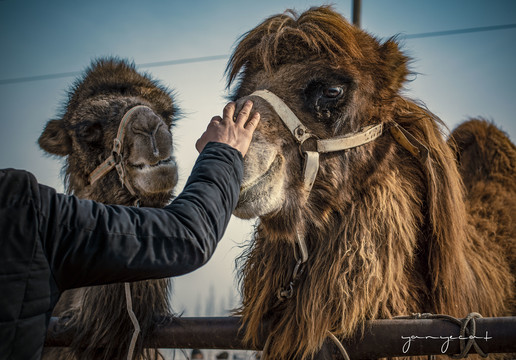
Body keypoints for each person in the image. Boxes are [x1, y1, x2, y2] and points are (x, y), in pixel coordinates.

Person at [0, 101, 260, 360]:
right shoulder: (20, 207)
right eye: (90, 132)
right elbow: (186, 236)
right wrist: (223, 152)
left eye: (163, 118)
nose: (148, 124)